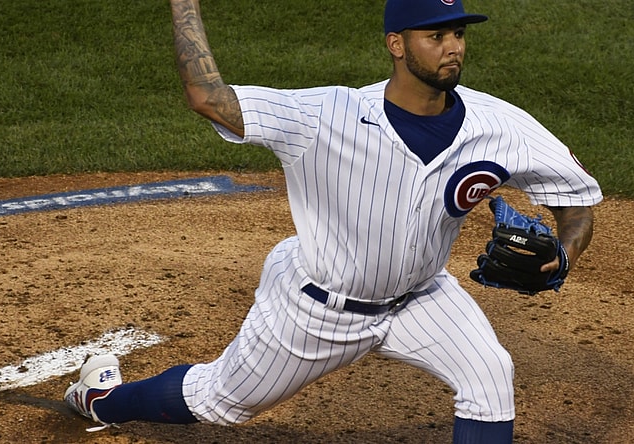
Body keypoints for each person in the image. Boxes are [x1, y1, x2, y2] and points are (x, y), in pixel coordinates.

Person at [63, 0, 602, 442]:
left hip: (423, 296)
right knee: (220, 401)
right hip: (317, 311)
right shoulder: (325, 116)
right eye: (434, 35)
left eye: (458, 33)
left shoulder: (501, 125)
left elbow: (575, 201)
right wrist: (184, 5)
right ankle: (101, 398)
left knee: (490, 376)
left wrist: (560, 258)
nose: (452, 47)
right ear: (397, 44)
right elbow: (209, 98)